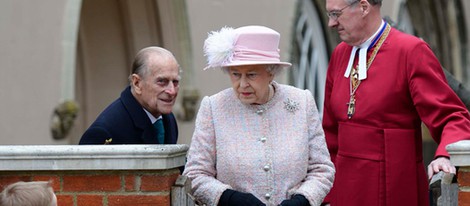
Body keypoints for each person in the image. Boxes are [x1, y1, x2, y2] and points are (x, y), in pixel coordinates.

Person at [323, 0, 470, 205]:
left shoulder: (411, 51)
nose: (331, 23)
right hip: (346, 192)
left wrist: (444, 156)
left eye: (336, 14)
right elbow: (329, 135)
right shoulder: (340, 54)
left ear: (364, 7)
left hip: (395, 190)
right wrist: (327, 195)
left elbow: (453, 117)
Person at [183, 25, 335, 206]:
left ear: (271, 73)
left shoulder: (302, 102)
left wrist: (302, 200)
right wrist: (230, 199)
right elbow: (195, 175)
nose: (242, 84)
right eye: (236, 74)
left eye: (252, 75)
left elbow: (322, 169)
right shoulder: (214, 108)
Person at [79, 46, 180, 145]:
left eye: (175, 82)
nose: (172, 91)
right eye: (162, 81)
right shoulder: (104, 132)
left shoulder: (168, 119)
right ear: (137, 83)